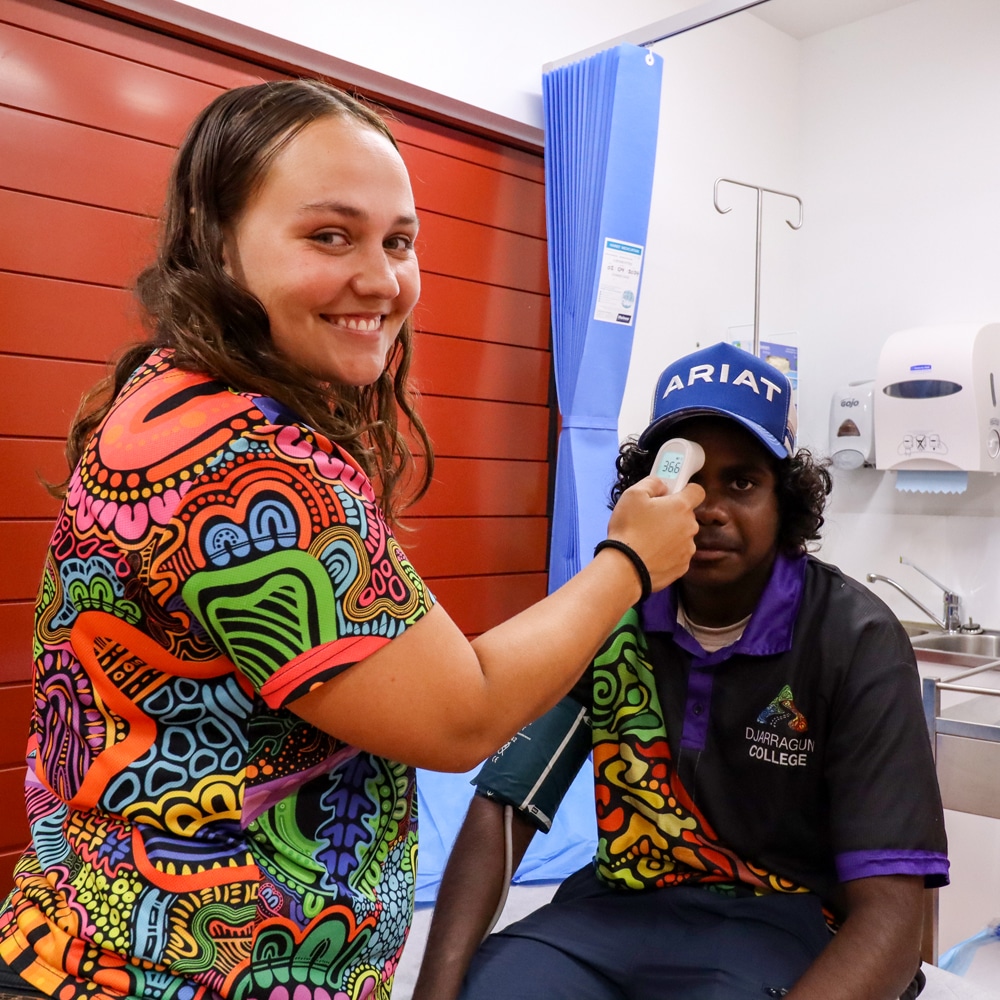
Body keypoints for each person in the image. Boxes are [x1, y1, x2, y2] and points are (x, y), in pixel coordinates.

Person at [0, 80, 704, 1000]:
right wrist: (630, 563)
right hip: (169, 976)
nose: (381, 280)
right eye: (330, 236)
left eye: (399, 241)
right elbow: (461, 716)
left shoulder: (171, 400)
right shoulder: (249, 468)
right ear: (217, 241)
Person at [413, 341, 949, 1000]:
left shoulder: (852, 640)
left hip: (783, 920)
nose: (708, 507)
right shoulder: (613, 617)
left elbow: (893, 918)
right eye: (687, 481)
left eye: (742, 483)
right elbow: (504, 811)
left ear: (786, 503)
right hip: (616, 910)